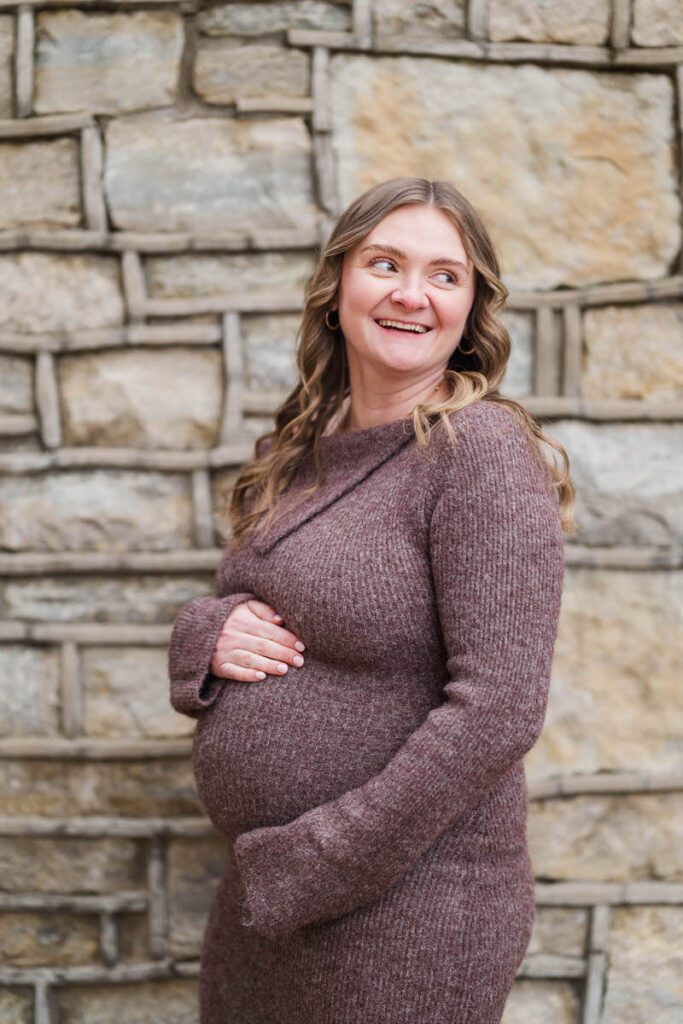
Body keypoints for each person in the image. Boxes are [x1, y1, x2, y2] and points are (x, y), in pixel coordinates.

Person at [168, 177, 576, 1024]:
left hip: (407, 907)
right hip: (265, 904)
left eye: (443, 274)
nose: (409, 294)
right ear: (337, 286)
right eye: (383, 263)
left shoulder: (479, 454)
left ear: (470, 307)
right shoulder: (294, 449)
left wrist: (318, 859)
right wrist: (204, 634)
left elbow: (499, 709)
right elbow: (246, 601)